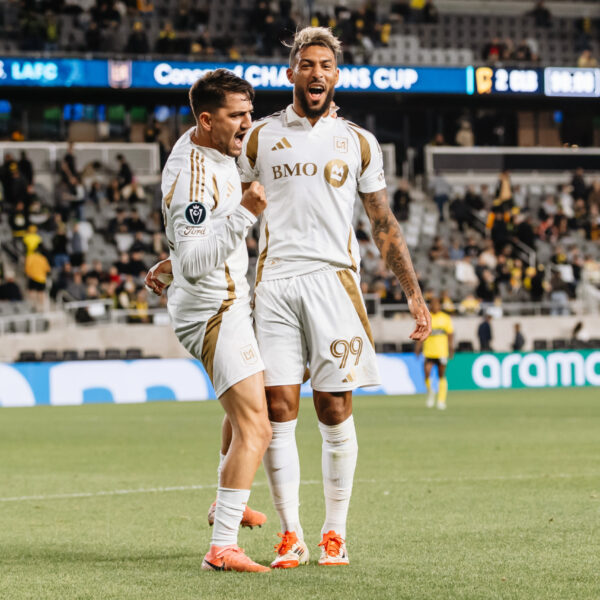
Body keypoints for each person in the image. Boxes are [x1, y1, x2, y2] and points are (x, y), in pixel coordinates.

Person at [237, 26, 431, 568]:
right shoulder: (258, 136)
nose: (316, 72)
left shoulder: (358, 141)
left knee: (334, 408)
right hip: (273, 282)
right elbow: (230, 206)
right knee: (278, 411)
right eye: (307, 63)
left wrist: (412, 293)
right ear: (290, 72)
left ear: (336, 75)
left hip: (335, 283)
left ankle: (335, 533)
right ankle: (291, 533)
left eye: (326, 64)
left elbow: (382, 222)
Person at [144, 69, 272, 573]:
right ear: (205, 119)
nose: (247, 123)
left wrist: (171, 258)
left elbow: (189, 248)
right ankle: (221, 547)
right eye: (237, 115)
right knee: (255, 427)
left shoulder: (213, 151)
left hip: (227, 301)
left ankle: (227, 503)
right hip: (212, 310)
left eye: (249, 111)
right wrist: (246, 213)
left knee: (246, 414)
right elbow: (198, 258)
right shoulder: (193, 175)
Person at [415, 297, 453, 410]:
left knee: (442, 375)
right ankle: (431, 393)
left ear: (440, 306)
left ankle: (441, 400)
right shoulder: (426, 318)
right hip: (429, 352)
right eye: (433, 304)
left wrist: (451, 348)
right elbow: (420, 333)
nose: (435, 306)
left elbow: (450, 334)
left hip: (441, 352)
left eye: (437, 304)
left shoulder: (445, 318)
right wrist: (418, 347)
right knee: (427, 373)